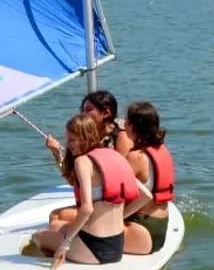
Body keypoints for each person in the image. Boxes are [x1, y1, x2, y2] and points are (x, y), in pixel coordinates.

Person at [30, 113, 149, 265]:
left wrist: (65, 244)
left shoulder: (82, 161)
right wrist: (121, 217)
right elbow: (146, 195)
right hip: (117, 247)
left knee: (38, 236)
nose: (68, 144)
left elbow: (87, 209)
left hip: (92, 248)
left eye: (72, 139)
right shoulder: (115, 156)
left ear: (85, 137)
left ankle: (60, 261)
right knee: (58, 227)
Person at [43, 90, 133, 227]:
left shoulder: (121, 137)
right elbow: (74, 181)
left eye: (88, 110)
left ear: (106, 113)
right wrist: (56, 154)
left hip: (114, 207)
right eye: (82, 111)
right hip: (98, 203)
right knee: (56, 217)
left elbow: (121, 181)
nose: (83, 115)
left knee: (57, 217)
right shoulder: (87, 140)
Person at [123, 101, 176, 255]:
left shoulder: (135, 157)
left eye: (126, 121)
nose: (124, 123)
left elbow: (113, 191)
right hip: (160, 227)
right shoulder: (162, 150)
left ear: (132, 127)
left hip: (141, 230)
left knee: (72, 229)